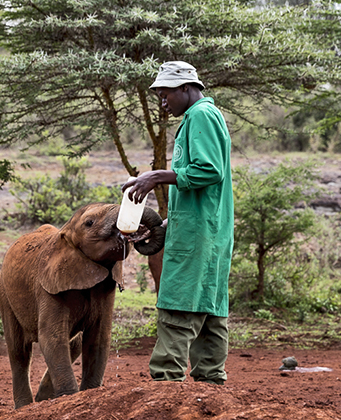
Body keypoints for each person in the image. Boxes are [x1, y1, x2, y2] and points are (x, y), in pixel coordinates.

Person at [122, 61, 234, 385]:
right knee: (210, 310)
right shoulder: (202, 116)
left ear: (186, 88)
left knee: (179, 306)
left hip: (199, 237)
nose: (162, 101)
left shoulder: (200, 115)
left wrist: (157, 176)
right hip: (209, 229)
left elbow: (210, 171)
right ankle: (210, 388)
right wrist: (166, 224)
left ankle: (165, 388)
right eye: (159, 94)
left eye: (166, 92)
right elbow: (204, 190)